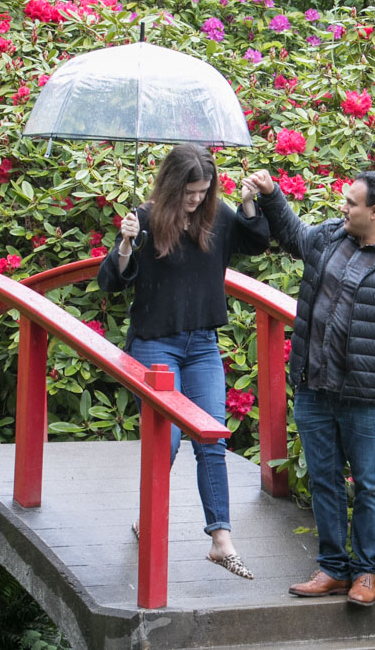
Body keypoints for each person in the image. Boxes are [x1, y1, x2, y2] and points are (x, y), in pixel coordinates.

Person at [241, 169, 375, 605]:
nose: (344, 207)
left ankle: (365, 573)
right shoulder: (332, 237)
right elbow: (296, 236)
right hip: (314, 387)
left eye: (352, 203)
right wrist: (272, 194)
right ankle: (333, 568)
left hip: (369, 398)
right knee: (324, 481)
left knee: (370, 485)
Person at [97, 143, 270, 580]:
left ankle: (221, 540)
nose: (196, 198)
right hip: (156, 345)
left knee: (211, 436)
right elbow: (111, 283)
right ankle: (148, 517)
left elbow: (258, 241)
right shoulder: (148, 218)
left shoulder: (219, 216)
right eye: (190, 191)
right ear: (173, 185)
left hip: (202, 346)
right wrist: (126, 242)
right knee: (168, 439)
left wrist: (249, 202)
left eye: (203, 190)